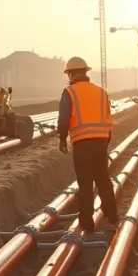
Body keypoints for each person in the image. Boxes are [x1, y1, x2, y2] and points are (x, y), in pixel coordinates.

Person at [57, 56, 118, 235]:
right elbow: (108, 118)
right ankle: (112, 215)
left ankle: (87, 222)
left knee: (85, 182)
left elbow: (63, 119)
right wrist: (105, 140)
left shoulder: (69, 92)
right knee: (103, 179)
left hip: (82, 143)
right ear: (85, 72)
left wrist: (62, 138)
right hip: (100, 141)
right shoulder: (101, 91)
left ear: (71, 73)